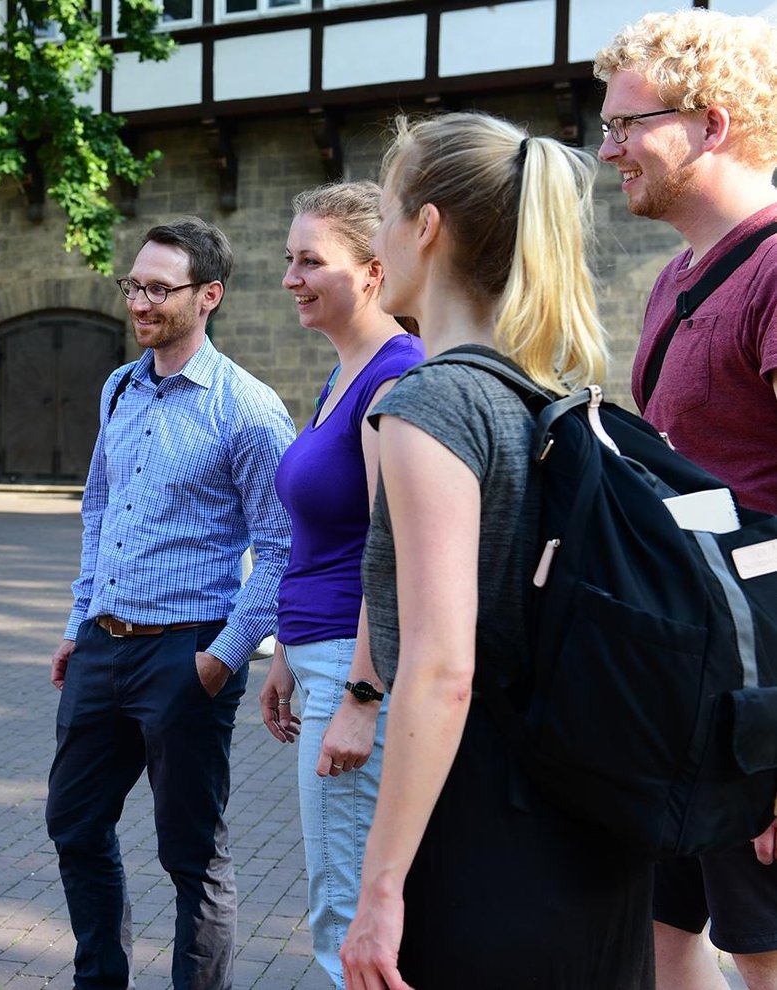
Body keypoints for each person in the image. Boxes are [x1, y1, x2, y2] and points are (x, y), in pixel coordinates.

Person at [338, 111, 654, 989]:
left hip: (487, 826)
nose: (378, 242)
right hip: (592, 815)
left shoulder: (430, 406)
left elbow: (443, 669)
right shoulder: (557, 392)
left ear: (427, 227)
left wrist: (382, 887)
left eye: (386, 214)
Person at [46, 215, 295, 990]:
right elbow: (99, 510)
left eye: (159, 289)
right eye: (134, 285)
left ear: (208, 296)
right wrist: (78, 622)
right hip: (102, 646)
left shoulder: (247, 409)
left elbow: (282, 549)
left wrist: (222, 659)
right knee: (74, 824)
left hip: (187, 654)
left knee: (191, 856)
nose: (139, 302)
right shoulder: (118, 387)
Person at [595, 11, 777, 989]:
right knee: (665, 936)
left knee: (763, 952)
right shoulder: (675, 278)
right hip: (688, 677)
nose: (608, 148)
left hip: (762, 689)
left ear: (711, 124)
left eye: (628, 124)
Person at [257, 182, 422, 987]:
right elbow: (325, 538)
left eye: (311, 261)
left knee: (348, 915)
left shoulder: (395, 378)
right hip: (319, 658)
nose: (290, 278)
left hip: (357, 672)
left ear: (372, 271)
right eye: (289, 259)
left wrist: (361, 695)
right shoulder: (343, 372)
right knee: (342, 901)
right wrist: (285, 654)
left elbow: (394, 556)